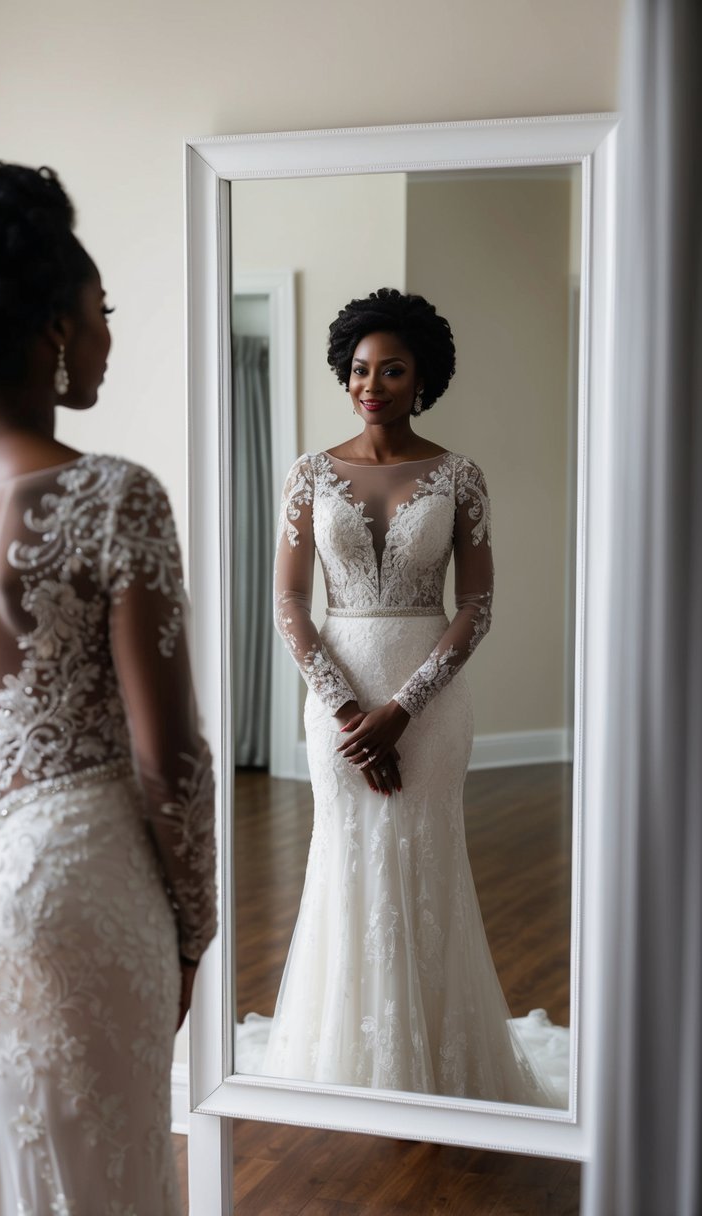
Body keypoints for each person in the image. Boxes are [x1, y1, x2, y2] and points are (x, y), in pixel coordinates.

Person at [0, 159, 216, 1214]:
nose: (107, 331)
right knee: (91, 1164)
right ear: (52, 322)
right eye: (97, 307)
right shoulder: (112, 496)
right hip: (77, 883)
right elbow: (171, 761)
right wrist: (193, 931)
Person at [265, 287, 563, 1105]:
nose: (371, 384)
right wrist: (342, 706)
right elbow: (291, 602)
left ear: (421, 377)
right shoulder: (308, 474)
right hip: (337, 690)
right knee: (346, 860)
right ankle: (346, 1057)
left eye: (390, 370)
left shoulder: (459, 475)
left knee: (423, 860)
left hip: (427, 695)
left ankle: (436, 1056)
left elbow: (477, 604)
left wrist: (403, 708)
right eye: (359, 369)